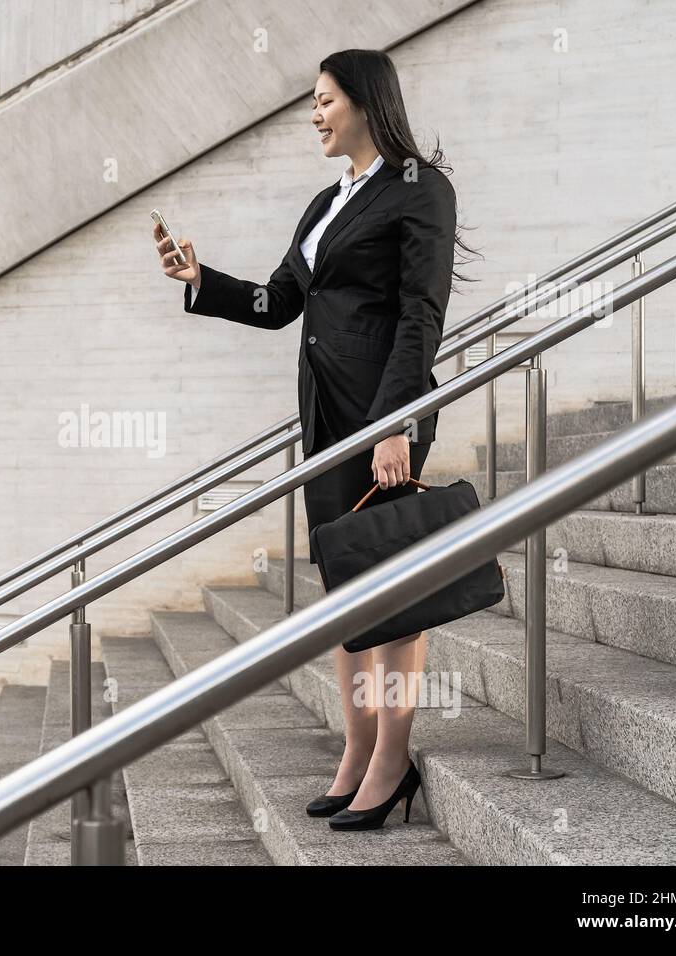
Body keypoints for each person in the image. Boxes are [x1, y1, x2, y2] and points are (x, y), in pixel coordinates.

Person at [154, 49, 474, 831]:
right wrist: (201, 278)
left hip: (381, 413)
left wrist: (396, 421)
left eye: (326, 100)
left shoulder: (421, 190)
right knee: (345, 593)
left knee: (392, 593)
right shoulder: (324, 205)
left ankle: (392, 762)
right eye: (313, 101)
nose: (315, 113)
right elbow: (276, 303)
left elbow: (420, 314)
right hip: (325, 415)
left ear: (366, 102)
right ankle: (357, 752)